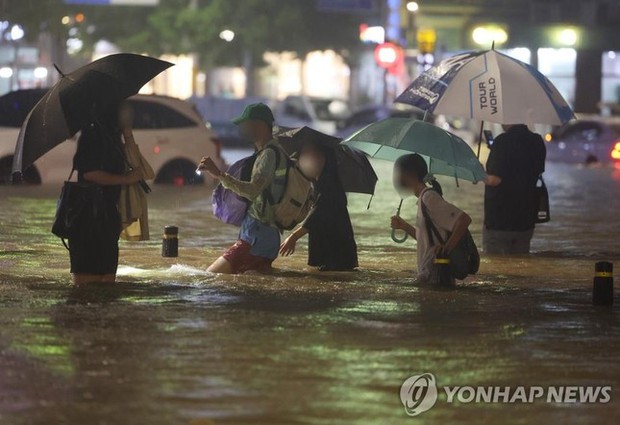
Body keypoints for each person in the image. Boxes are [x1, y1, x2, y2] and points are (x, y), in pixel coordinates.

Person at [198, 103, 286, 274]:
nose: (242, 129)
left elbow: (253, 191)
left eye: (246, 124)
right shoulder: (271, 151)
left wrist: (219, 174)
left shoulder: (268, 154)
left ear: (259, 125)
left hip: (256, 239)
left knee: (210, 277)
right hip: (263, 237)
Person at [68, 103, 143, 286]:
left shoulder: (113, 137)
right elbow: (89, 173)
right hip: (87, 218)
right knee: (86, 283)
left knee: (107, 280)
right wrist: (125, 179)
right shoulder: (93, 135)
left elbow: (138, 166)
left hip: (106, 217)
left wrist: (127, 132)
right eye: (124, 109)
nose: (129, 113)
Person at [389, 154, 472, 284]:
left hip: (437, 276)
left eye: (399, 173)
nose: (397, 179)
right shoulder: (423, 199)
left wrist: (446, 249)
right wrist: (404, 226)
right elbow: (427, 239)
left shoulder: (429, 198)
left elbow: (464, 220)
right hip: (430, 275)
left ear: (410, 175)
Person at [279, 142, 358, 271]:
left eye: (312, 156)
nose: (306, 160)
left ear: (324, 160)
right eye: (304, 156)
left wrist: (293, 237)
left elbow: (316, 215)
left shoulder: (330, 187)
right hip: (334, 255)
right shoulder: (319, 184)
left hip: (336, 256)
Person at [483, 124, 546, 254]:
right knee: (521, 264)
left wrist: (478, 173)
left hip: (500, 220)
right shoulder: (537, 141)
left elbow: (494, 180)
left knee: (497, 267)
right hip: (526, 219)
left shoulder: (501, 142)